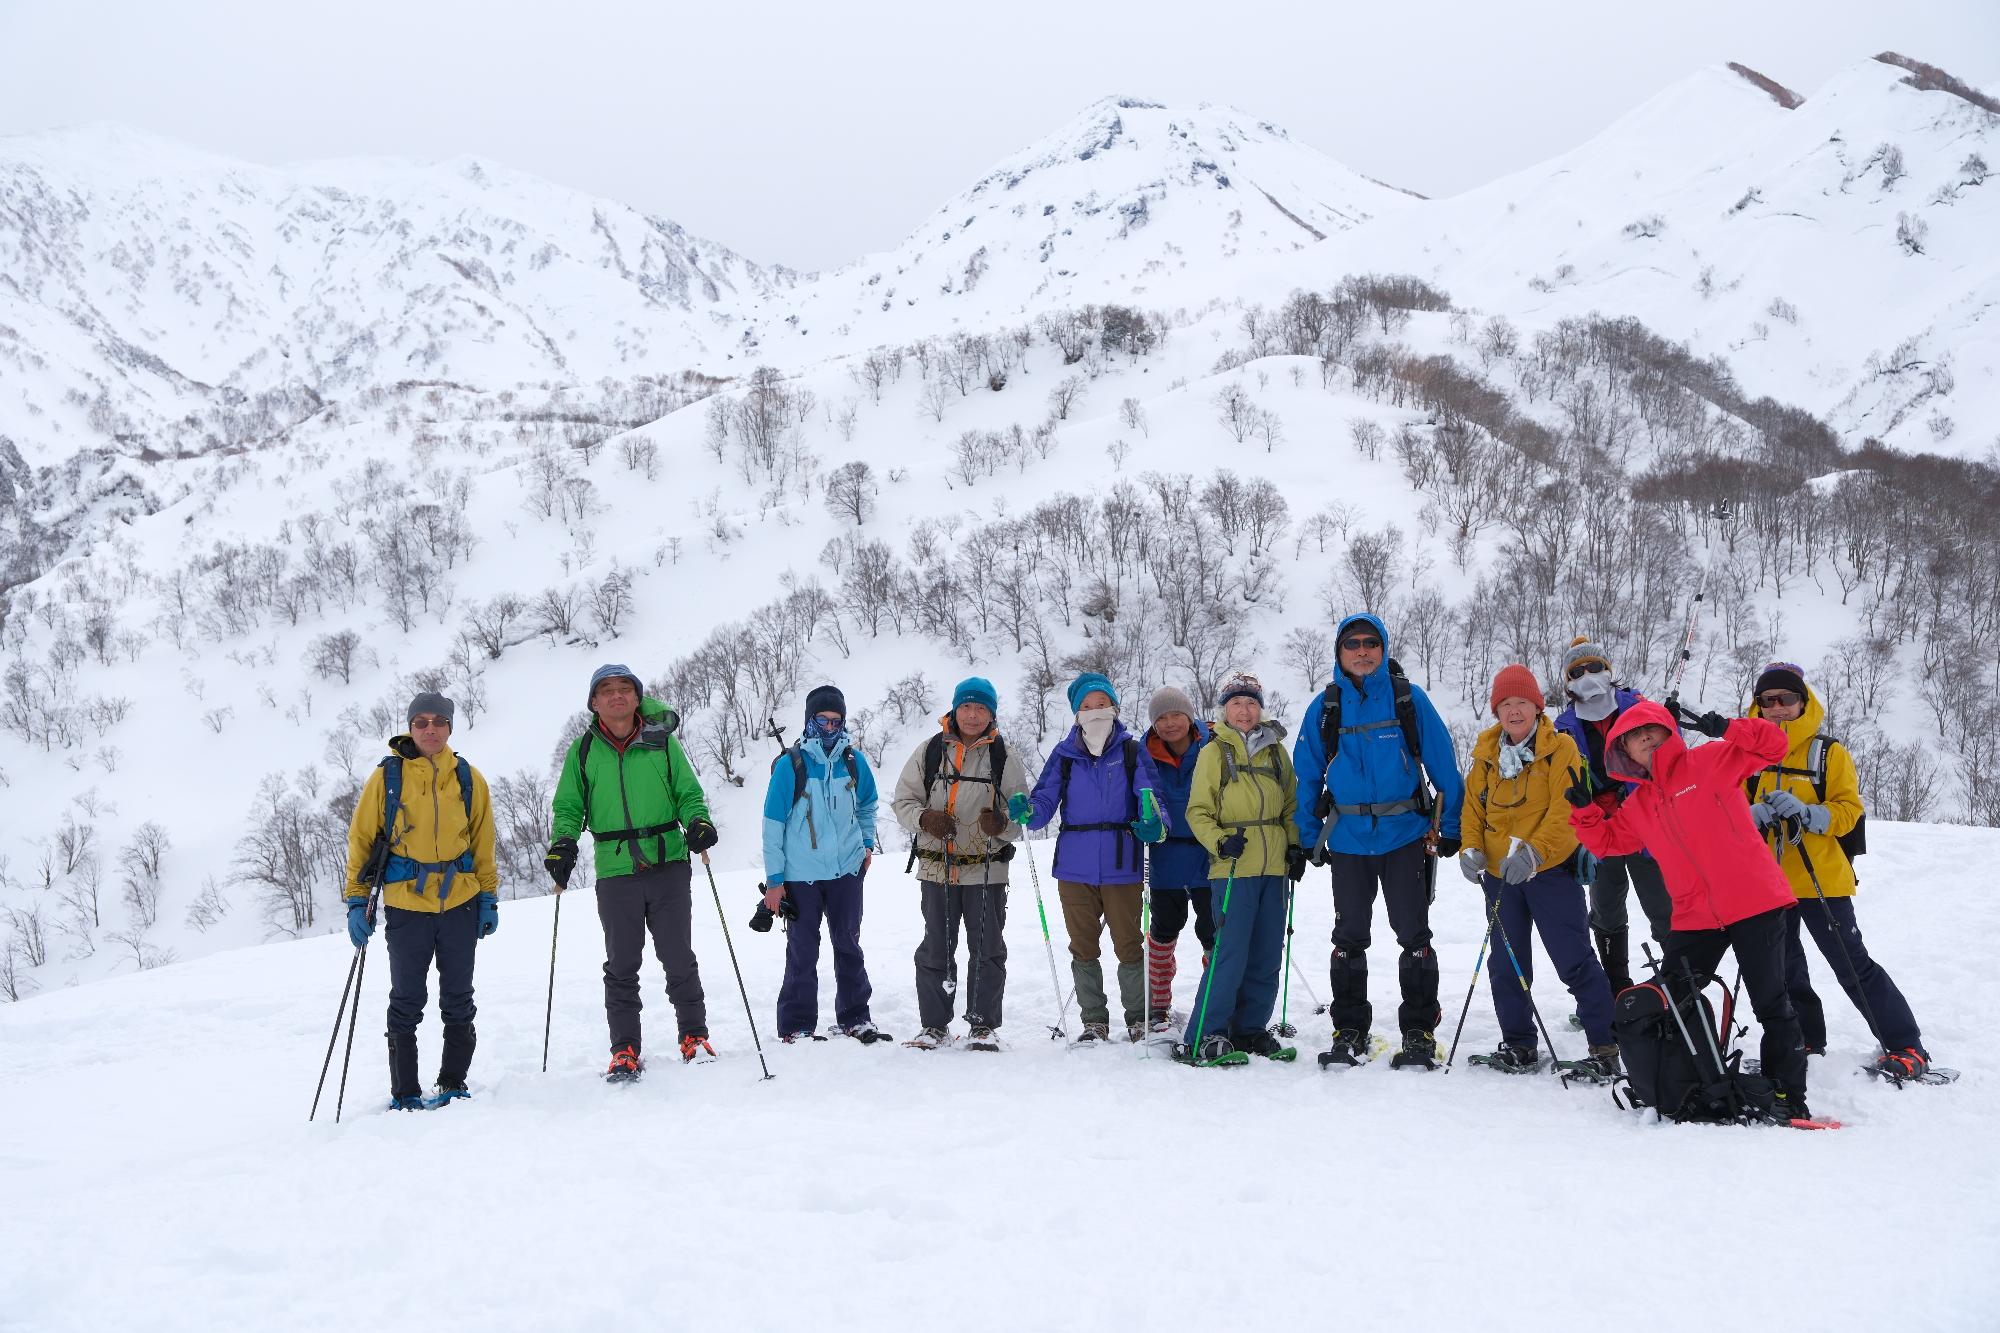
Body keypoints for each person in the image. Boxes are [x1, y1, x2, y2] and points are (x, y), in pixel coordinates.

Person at [1565, 698, 1813, 1121]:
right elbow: (1609, 844)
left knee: (1771, 1001)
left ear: (1669, 733)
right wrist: (1585, 810)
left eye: (1652, 732)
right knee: (1674, 998)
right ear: (1626, 754)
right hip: (1695, 916)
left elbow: (1772, 745)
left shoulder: (1711, 760)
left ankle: (1788, 1093)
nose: (1645, 740)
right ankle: (1695, 1076)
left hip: (1754, 902)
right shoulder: (1639, 805)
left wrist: (1730, 728)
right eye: (1634, 739)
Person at [1744, 661, 1932, 1079]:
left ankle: (1906, 1046)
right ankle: (1805, 1038)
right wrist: (1749, 814)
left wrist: (1809, 813)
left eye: (1785, 699)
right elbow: (1728, 809)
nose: (1776, 708)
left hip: (1821, 880)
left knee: (1851, 964)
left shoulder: (1828, 752)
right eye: (1767, 700)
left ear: (1801, 702)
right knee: (1784, 968)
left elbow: (1849, 812)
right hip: (1768, 883)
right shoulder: (1746, 755)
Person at [1293, 613, 1465, 1069]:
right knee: (1348, 937)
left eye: (1371, 642)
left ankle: (1419, 1031)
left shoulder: (1408, 699)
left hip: (1405, 835)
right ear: (1340, 653)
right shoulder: (1326, 707)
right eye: (1353, 644)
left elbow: (1442, 763)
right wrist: (1309, 838)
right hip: (1348, 839)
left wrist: (1450, 825)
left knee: (1414, 937)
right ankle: (1349, 1029)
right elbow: (1306, 775)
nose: (1363, 651)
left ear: (1383, 647)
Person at [546, 664, 719, 1080]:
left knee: (678, 957)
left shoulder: (662, 743)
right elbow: (569, 806)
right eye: (607, 690)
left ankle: (693, 1036)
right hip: (616, 868)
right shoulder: (583, 751)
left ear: (637, 698)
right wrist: (563, 843)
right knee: (621, 964)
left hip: (669, 863)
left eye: (625, 689)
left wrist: (697, 821)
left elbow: (688, 793)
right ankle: (624, 1049)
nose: (617, 696)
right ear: (594, 703)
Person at [1459, 665, 1619, 1079]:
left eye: (1522, 703)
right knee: (1507, 964)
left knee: (1574, 960)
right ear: (1497, 710)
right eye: (1506, 704)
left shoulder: (1561, 748)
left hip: (1549, 873)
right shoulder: (1485, 752)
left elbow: (1566, 812)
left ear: (1537, 706)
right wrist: (1471, 848)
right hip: (1498, 876)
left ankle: (1605, 1046)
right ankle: (1519, 1045)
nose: (1514, 711)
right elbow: (1474, 807)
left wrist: (1533, 855)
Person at [342, 691, 498, 1111]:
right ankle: (405, 1092)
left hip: (460, 904)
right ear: (410, 727)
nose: (430, 728)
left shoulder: (468, 778)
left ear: (449, 727)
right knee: (407, 1000)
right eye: (421, 722)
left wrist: (488, 898)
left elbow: (483, 844)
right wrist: (358, 902)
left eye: (438, 721)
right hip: (407, 906)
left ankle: (453, 1083)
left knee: (458, 999)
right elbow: (360, 841)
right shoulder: (387, 778)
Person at [1017, 671, 1169, 1043]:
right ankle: (1094, 1021)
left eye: (1102, 704)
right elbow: (1043, 802)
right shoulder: (1064, 756)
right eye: (1087, 706)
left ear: (1113, 707)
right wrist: (1027, 811)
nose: (1095, 711)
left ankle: (1137, 1018)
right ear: (1076, 712)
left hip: (1122, 864)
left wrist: (1155, 823)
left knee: (1129, 944)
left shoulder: (1132, 751)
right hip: (1074, 866)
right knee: (1083, 946)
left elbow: (1153, 798)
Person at [892, 676, 1029, 1051]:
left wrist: (1001, 824)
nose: (972, 715)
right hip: (937, 867)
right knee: (937, 946)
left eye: (981, 708)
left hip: (987, 867)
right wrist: (925, 820)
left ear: (991, 714)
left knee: (987, 947)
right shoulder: (930, 750)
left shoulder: (1005, 756)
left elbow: (1021, 812)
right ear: (955, 709)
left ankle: (982, 1025)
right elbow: (903, 801)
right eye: (966, 707)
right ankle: (934, 1026)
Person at [1179, 672, 1303, 1064]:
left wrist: (1296, 846)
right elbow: (1197, 811)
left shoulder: (1276, 752)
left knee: (1267, 952)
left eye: (1251, 703)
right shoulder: (1215, 752)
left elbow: (1289, 805)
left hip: (1274, 867)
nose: (1245, 710)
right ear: (1224, 711)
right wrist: (1219, 840)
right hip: (1233, 866)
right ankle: (1207, 1033)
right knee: (1230, 953)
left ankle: (1250, 1029)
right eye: (1236, 703)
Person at [760, 684, 882, 1044]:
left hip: (846, 871)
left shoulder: (853, 761)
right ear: (810, 720)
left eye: (836, 721)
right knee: (802, 951)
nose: (830, 727)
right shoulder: (791, 765)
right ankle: (796, 1024)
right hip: (801, 877)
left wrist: (866, 845)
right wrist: (775, 879)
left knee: (849, 945)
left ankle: (855, 1017)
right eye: (823, 720)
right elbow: (772, 825)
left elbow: (868, 805)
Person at [1552, 636, 1674, 993]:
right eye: (1578, 671)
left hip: (1647, 824)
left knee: (1663, 906)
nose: (1587, 675)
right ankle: (1616, 987)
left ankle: (1678, 985)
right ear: (1568, 681)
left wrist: (1668, 721)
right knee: (1605, 910)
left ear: (1609, 671)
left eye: (1594, 667)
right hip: (1599, 831)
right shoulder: (1563, 726)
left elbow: (1671, 753)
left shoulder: (1639, 708)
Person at [1140, 685, 1215, 1032]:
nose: (1170, 724)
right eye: (1162, 718)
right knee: (1164, 931)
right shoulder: (1144, 753)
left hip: (1209, 852)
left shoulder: (1213, 746)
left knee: (1212, 931)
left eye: (1176, 715)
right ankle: (1157, 1007)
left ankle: (1214, 999)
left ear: (1189, 716)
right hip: (1165, 855)